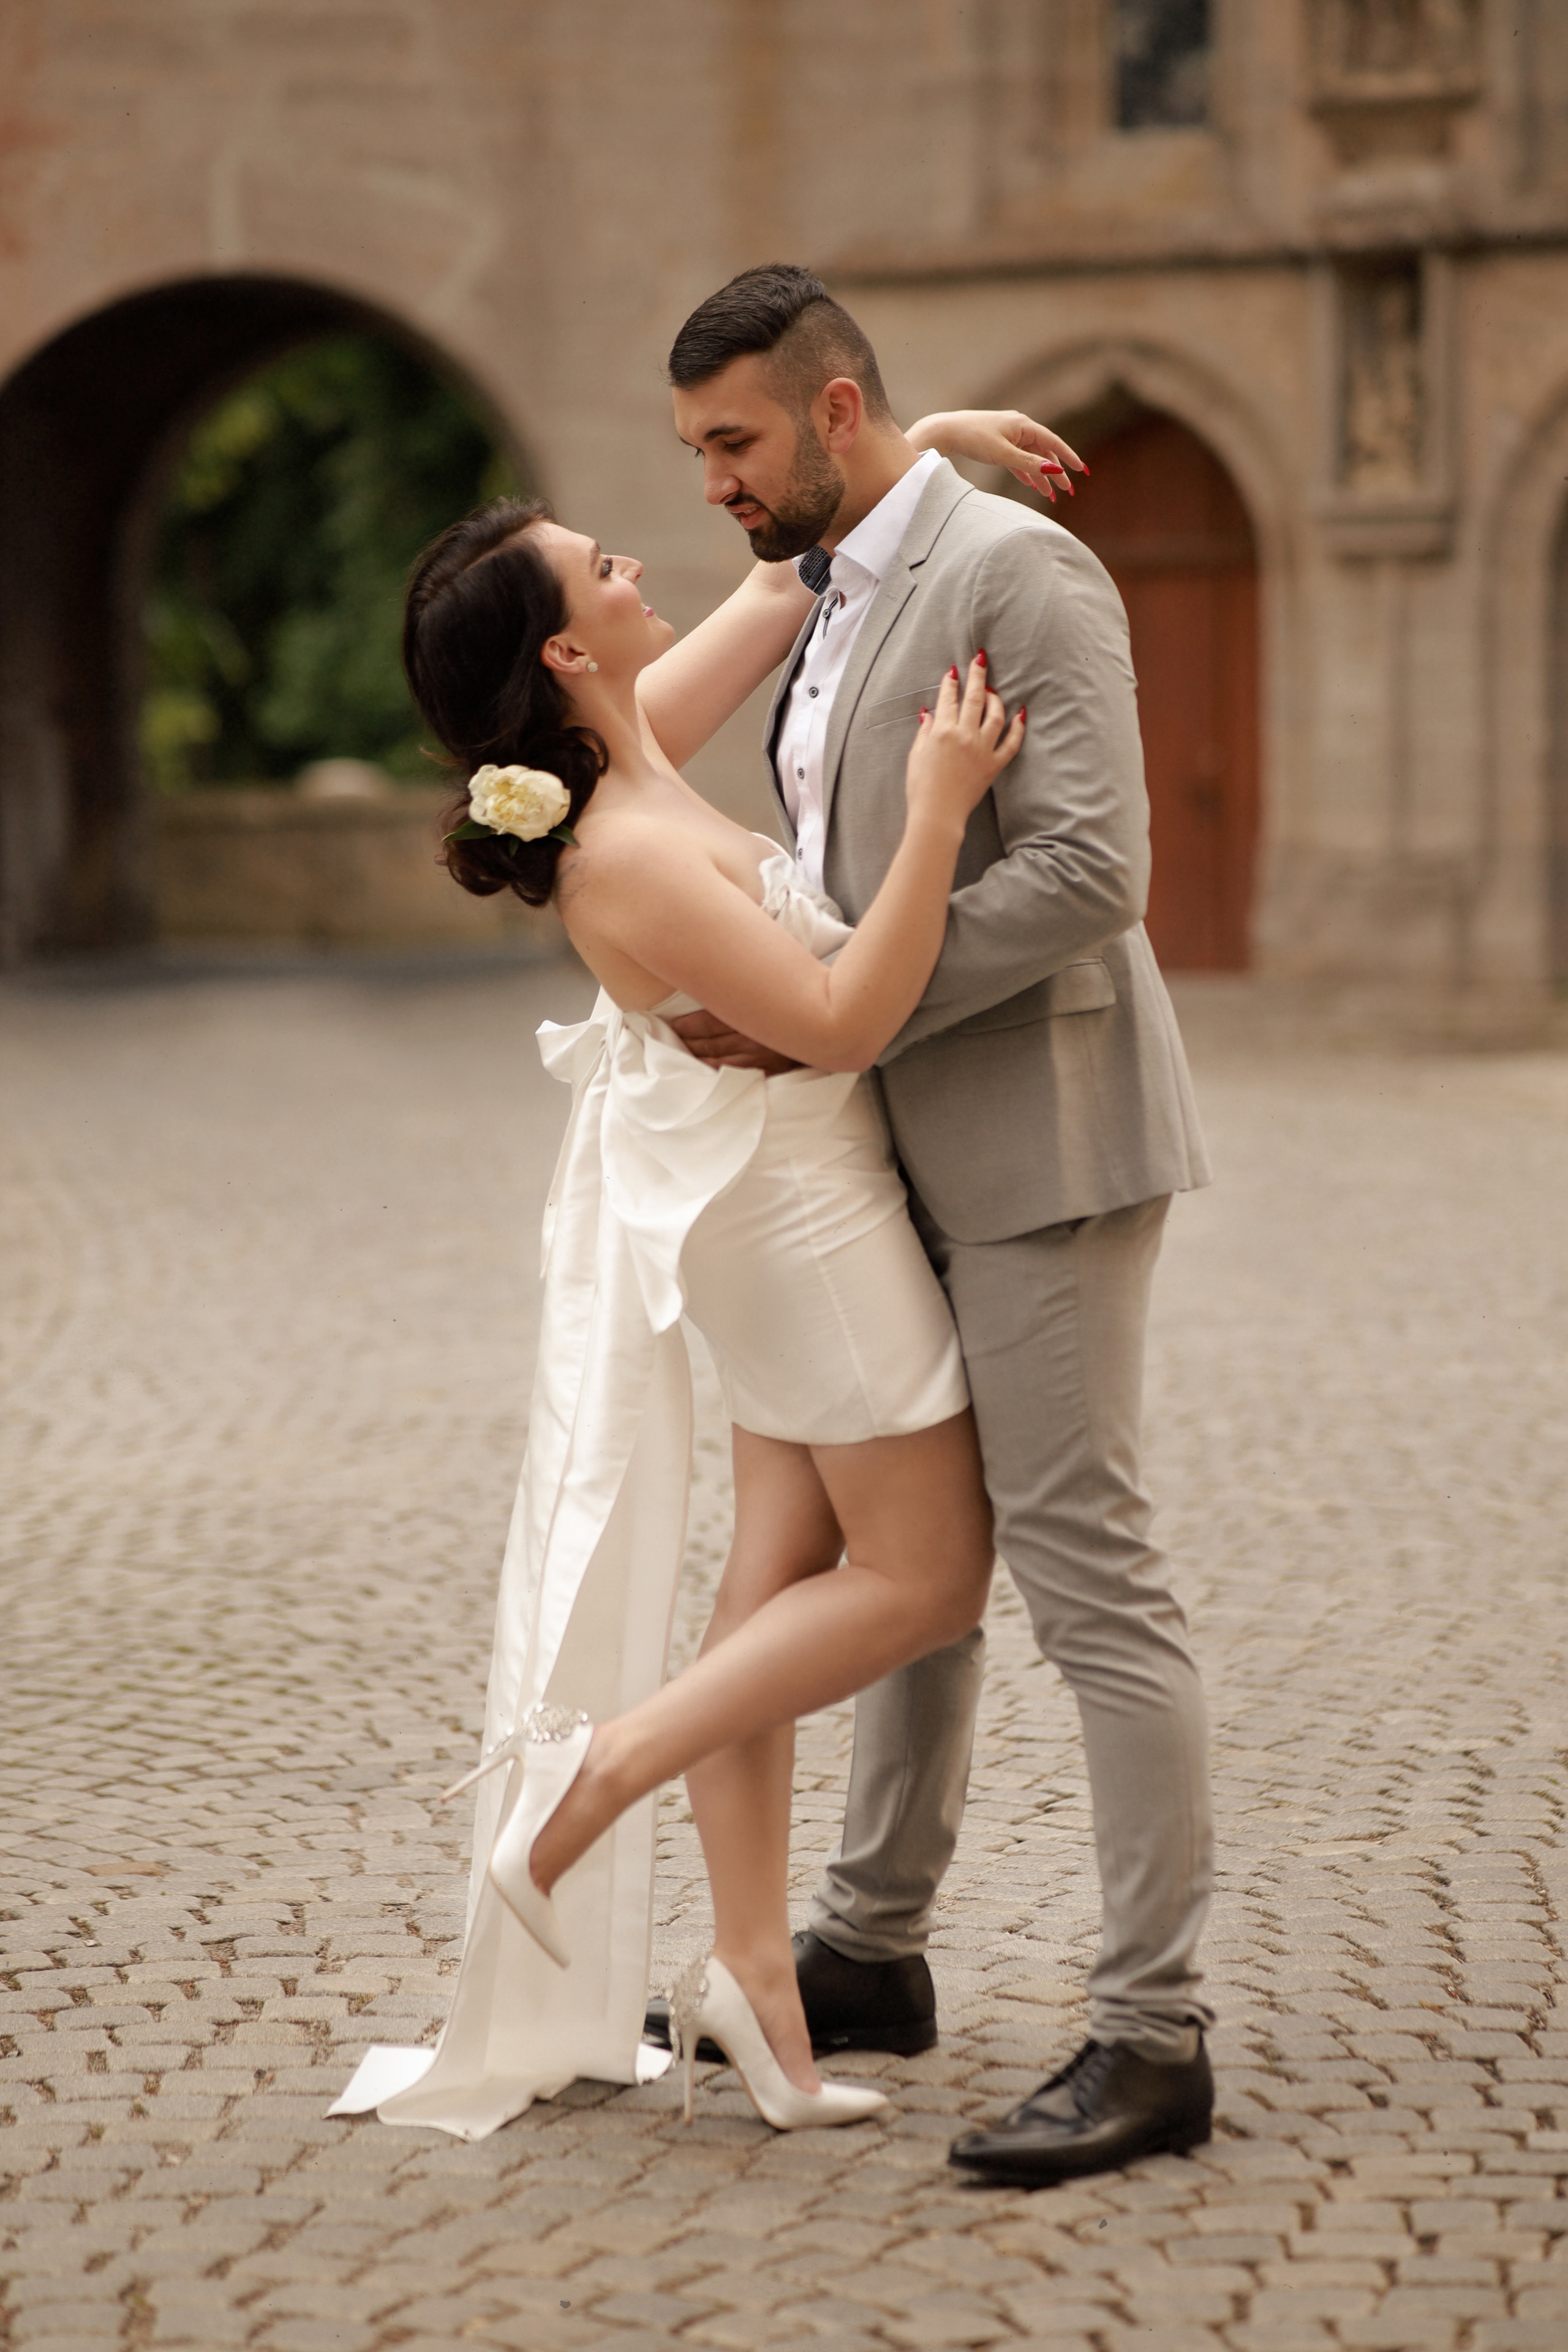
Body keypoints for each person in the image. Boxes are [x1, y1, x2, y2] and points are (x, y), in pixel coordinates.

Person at [331, 400, 1077, 2144]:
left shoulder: (627, 752)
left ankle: (754, 1976)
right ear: (568, 647)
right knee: (927, 1577)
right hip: (804, 1225)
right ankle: (602, 1775)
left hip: (764, 1206)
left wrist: (914, 445)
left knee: (777, 1581)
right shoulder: (628, 850)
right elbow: (841, 1018)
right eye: (599, 563)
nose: (634, 560)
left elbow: (779, 580)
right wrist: (937, 810)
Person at [638, 265, 1217, 2188]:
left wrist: (846, 1011)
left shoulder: (1017, 573)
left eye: (733, 441)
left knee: (1087, 1576)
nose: (712, 483)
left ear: (832, 410)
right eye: (693, 450)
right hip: (890, 1159)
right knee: (918, 1566)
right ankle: (873, 1951)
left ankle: (1155, 2036)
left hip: (1046, 1142)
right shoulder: (835, 579)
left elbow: (1096, 867)